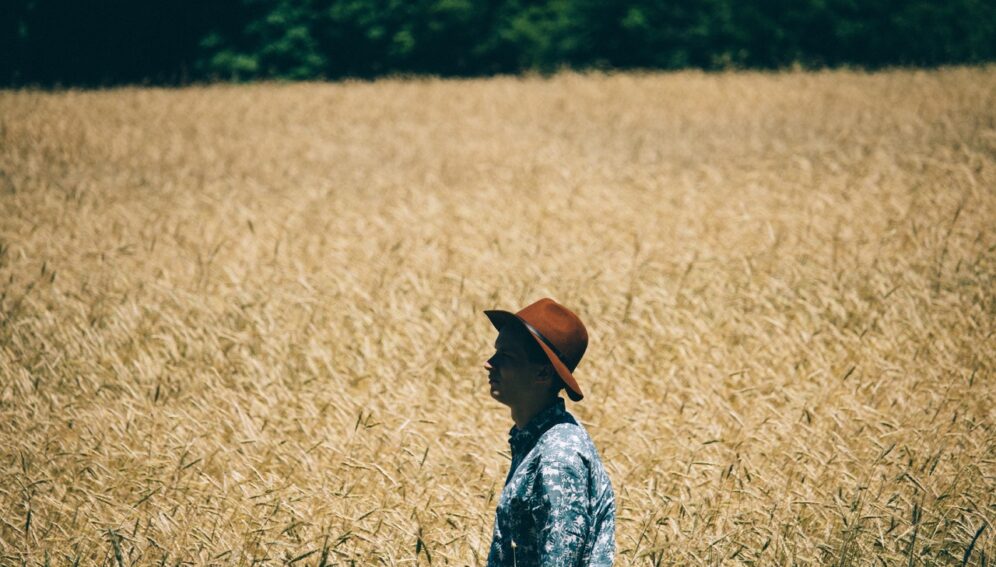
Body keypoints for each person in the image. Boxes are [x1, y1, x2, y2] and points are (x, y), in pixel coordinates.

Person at [483, 298, 615, 566]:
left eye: (506, 356)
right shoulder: (535, 441)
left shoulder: (557, 457)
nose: (489, 362)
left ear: (543, 373)